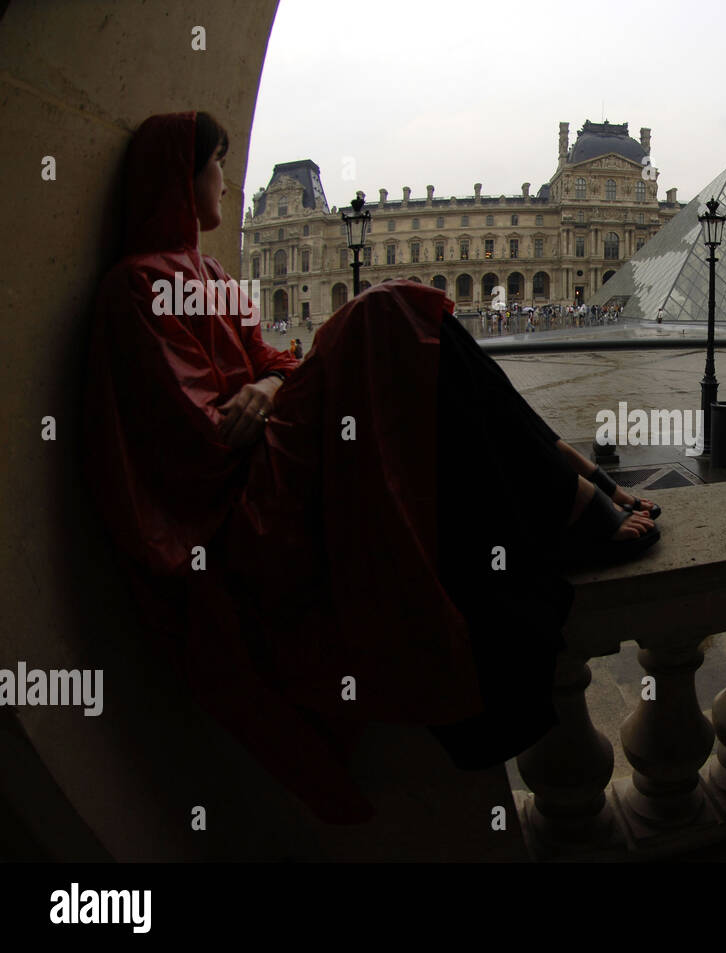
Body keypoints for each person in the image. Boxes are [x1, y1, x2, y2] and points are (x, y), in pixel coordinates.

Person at [83, 112, 661, 825]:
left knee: (411, 334)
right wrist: (270, 392)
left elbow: (274, 368)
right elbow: (199, 442)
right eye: (215, 170)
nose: (230, 186)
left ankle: (571, 481)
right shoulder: (135, 289)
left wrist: (268, 386)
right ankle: (573, 485)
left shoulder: (206, 273)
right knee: (390, 312)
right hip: (249, 495)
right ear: (178, 179)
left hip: (277, 444)